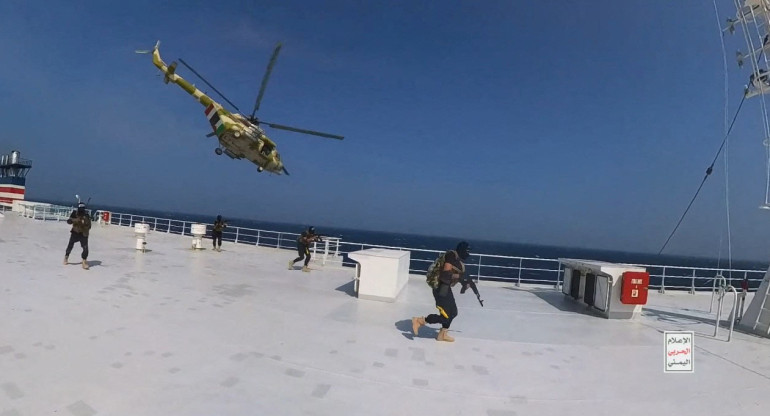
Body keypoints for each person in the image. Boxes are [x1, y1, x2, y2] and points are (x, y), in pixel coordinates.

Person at [412, 241, 472, 342]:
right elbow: (445, 273)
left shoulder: (457, 261)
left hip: (446, 287)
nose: (467, 254)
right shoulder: (451, 255)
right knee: (446, 316)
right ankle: (419, 321)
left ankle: (442, 334)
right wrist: (460, 276)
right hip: (440, 287)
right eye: (466, 251)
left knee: (453, 312)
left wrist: (465, 284)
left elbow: (456, 277)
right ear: (462, 250)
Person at [64, 202, 92, 270]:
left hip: (83, 234)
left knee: (85, 248)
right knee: (70, 245)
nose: (81, 210)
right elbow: (69, 221)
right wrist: (76, 220)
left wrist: (84, 223)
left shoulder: (87, 215)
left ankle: (84, 262)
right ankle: (66, 257)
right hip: (75, 232)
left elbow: (89, 226)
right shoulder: (74, 213)